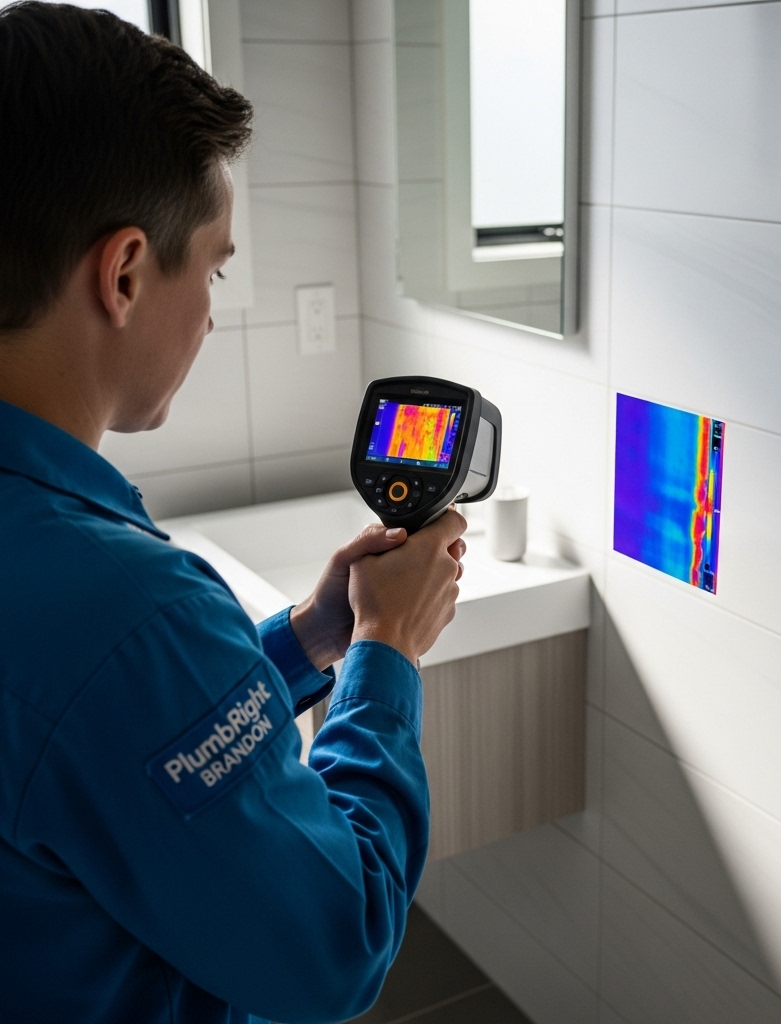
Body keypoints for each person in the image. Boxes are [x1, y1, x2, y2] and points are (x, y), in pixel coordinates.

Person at [0, 4, 467, 1021]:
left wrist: (310, 639)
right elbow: (336, 943)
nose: (212, 306)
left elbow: (99, 755)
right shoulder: (127, 613)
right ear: (123, 273)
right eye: (213, 267)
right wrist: (387, 651)